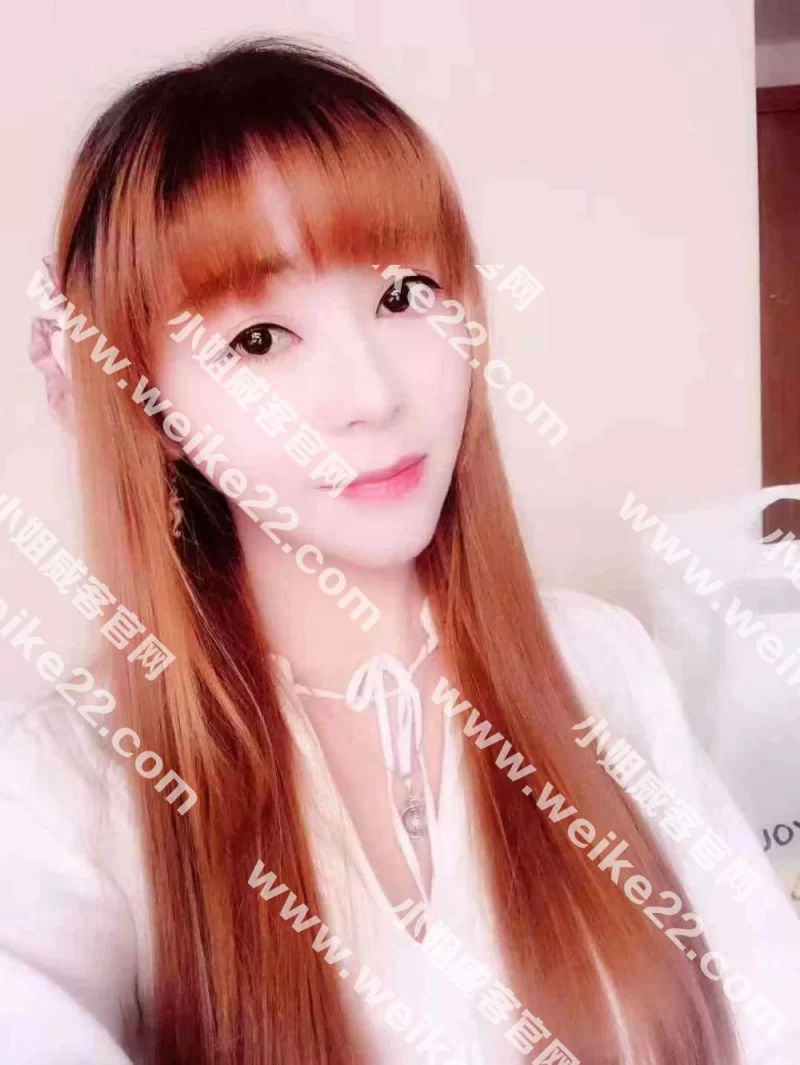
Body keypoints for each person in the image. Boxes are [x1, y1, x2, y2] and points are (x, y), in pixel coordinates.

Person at [4, 36, 800, 1065]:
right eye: (257, 340)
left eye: (403, 295)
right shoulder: (75, 788)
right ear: (143, 402)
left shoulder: (600, 667)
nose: (374, 396)